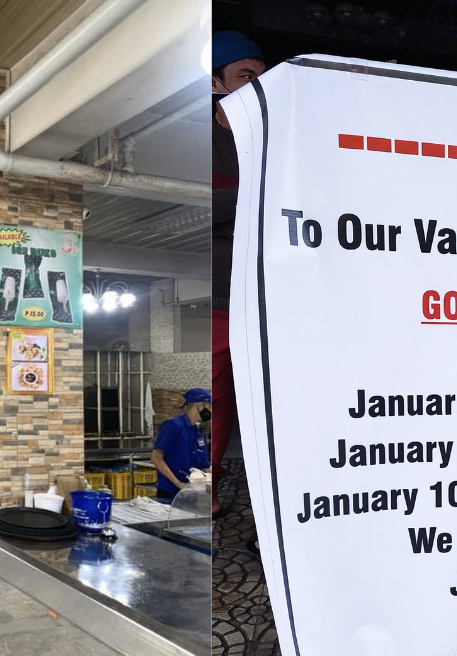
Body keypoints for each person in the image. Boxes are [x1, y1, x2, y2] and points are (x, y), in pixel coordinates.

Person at [211, 31, 267, 530]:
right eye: (245, 75)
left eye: (262, 76)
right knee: (219, 394)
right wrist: (253, 192)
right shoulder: (200, 142)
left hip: (271, 290)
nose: (257, 85)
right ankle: (207, 485)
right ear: (216, 83)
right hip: (219, 295)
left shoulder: (273, 133)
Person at [152, 388, 213, 502]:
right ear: (199, 406)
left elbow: (204, 465)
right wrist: (179, 484)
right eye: (209, 407)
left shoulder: (197, 432)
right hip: (170, 494)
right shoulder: (173, 426)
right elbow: (156, 458)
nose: (211, 412)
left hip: (192, 492)